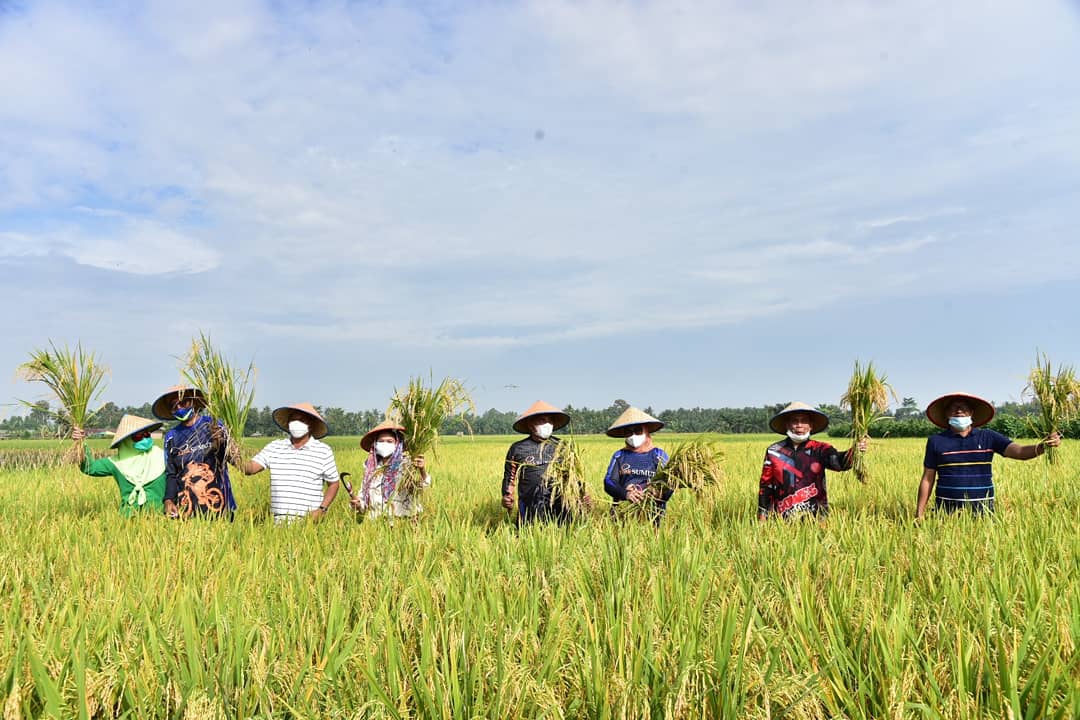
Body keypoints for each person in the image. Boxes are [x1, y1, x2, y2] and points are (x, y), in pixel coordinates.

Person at [916, 392, 1061, 518]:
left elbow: (1020, 452)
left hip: (983, 514)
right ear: (947, 413)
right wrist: (919, 514)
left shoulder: (988, 437)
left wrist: (1043, 446)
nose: (959, 410)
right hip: (945, 515)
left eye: (964, 407)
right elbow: (928, 478)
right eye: (953, 407)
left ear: (971, 412)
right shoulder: (936, 441)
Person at [758, 401, 867, 520]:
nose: (799, 425)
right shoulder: (774, 451)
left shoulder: (821, 449)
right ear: (787, 425)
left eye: (804, 421)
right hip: (782, 519)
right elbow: (765, 486)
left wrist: (855, 451)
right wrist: (762, 517)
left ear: (811, 426)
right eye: (795, 421)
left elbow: (839, 463)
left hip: (817, 518)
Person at [241, 403, 340, 523]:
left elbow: (334, 483)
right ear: (288, 423)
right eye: (293, 419)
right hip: (277, 524)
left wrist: (322, 509)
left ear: (311, 424)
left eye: (302, 420)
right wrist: (229, 451)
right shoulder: (275, 447)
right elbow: (249, 468)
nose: (296, 423)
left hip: (309, 523)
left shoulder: (323, 451)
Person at [152, 385, 236, 519]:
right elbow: (171, 474)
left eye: (183, 402)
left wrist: (221, 442)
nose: (179, 407)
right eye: (174, 405)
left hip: (221, 509)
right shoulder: (171, 437)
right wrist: (168, 500)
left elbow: (229, 456)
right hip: (186, 512)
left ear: (194, 401)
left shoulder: (214, 426)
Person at [501, 400, 590, 524]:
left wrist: (582, 494)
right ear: (530, 424)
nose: (547, 424)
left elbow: (574, 476)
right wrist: (507, 496)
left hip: (560, 507)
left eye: (550, 420)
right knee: (528, 533)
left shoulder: (563, 446)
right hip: (528, 508)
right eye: (542, 420)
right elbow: (510, 477)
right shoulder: (518, 448)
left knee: (563, 532)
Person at [72, 415, 167, 517]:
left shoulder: (162, 457)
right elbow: (90, 468)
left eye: (147, 434)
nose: (144, 438)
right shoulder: (116, 463)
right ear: (126, 440)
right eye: (139, 436)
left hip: (159, 517)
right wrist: (80, 443)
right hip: (128, 518)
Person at [348, 420, 430, 520]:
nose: (385, 444)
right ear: (375, 444)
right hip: (377, 522)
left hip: (404, 521)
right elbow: (364, 501)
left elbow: (421, 487)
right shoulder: (370, 470)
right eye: (381, 441)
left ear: (397, 444)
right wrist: (357, 504)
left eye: (389, 441)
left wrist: (422, 470)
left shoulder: (407, 465)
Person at [602, 407, 672, 523]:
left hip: (653, 517)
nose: (633, 435)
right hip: (622, 516)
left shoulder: (658, 455)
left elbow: (671, 482)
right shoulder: (620, 455)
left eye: (638, 431)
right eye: (628, 432)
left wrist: (658, 493)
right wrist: (626, 494)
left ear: (646, 431)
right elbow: (609, 482)